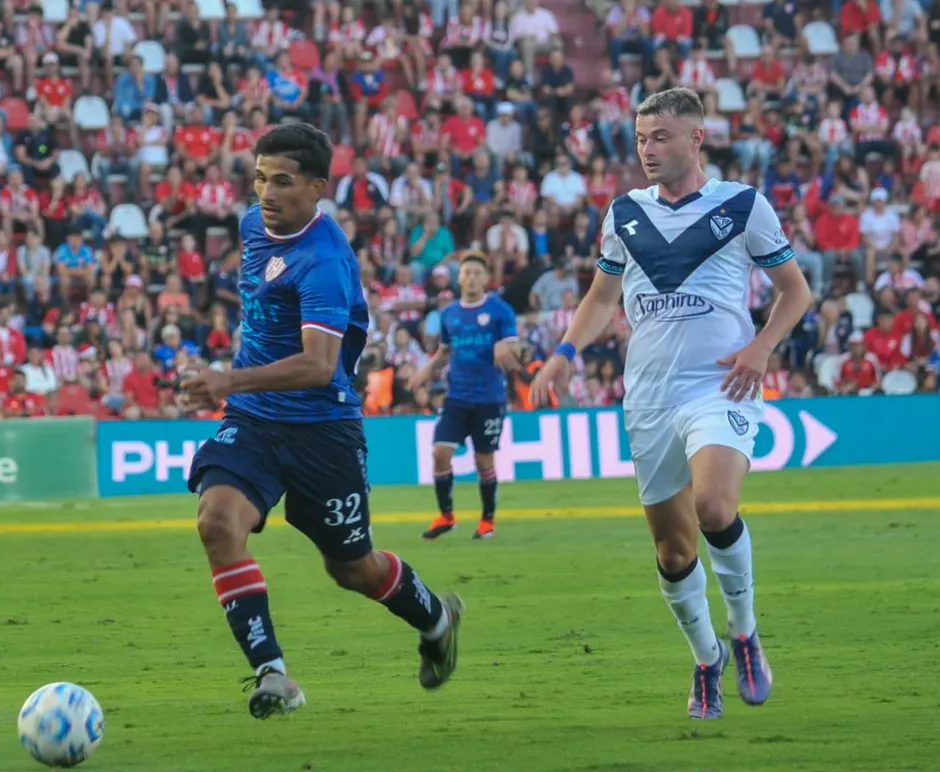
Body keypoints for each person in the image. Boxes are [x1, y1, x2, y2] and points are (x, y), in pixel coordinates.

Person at [530, 87, 812, 720]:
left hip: (719, 383)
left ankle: (744, 632)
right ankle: (707, 658)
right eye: (639, 139)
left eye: (659, 137)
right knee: (673, 552)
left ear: (696, 138)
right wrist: (565, 352)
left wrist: (761, 347)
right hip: (650, 395)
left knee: (714, 506)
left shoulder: (742, 205)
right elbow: (603, 297)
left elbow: (795, 291)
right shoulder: (624, 213)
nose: (647, 150)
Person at [182, 123, 464, 719]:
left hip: (323, 430)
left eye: (283, 182)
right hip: (255, 419)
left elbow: (318, 365)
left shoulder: (326, 260)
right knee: (217, 521)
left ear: (318, 188)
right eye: (260, 178)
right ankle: (273, 674)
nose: (267, 193)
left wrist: (227, 379)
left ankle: (437, 619)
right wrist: (234, 386)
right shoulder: (253, 226)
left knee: (351, 568)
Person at [406, 251, 521, 540]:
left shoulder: (500, 311)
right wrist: (425, 371)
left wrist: (506, 350)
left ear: (486, 279)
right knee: (439, 454)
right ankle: (446, 516)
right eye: (467, 272)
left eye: (477, 273)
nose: (471, 278)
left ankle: (487, 521)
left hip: (489, 398)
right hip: (456, 396)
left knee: (484, 462)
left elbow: (515, 351)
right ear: (459, 278)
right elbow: (444, 352)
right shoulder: (449, 314)